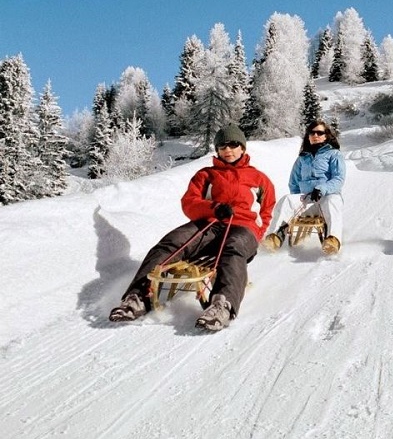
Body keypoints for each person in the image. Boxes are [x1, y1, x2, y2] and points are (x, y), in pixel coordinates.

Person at [108, 123, 276, 331]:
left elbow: (267, 209)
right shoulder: (206, 175)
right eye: (222, 146)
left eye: (233, 145)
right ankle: (138, 297)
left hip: (243, 227)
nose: (228, 150)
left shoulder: (259, 179)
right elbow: (189, 203)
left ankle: (222, 305)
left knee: (234, 247)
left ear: (242, 147)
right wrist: (213, 208)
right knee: (171, 242)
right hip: (209, 223)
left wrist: (258, 232)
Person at [264, 119, 346, 255]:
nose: (315, 135)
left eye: (319, 133)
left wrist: (322, 189)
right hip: (308, 200)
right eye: (311, 133)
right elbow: (294, 183)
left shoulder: (334, 154)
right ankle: (275, 237)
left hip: (326, 197)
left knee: (333, 201)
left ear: (326, 135)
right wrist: (298, 201)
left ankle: (333, 240)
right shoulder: (302, 158)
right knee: (287, 199)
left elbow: (338, 179)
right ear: (308, 136)